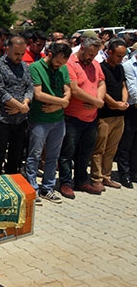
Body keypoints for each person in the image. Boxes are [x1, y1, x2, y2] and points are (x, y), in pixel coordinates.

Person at [57, 36, 106, 198]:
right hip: (72, 118)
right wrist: (95, 102)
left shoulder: (95, 64)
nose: (92, 57)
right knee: (67, 152)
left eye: (95, 54)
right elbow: (74, 90)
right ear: (82, 48)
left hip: (91, 117)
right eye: (90, 54)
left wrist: (97, 101)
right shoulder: (70, 63)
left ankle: (81, 180)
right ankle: (65, 182)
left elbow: (101, 83)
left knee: (85, 152)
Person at [25, 42, 72, 204]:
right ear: (50, 54)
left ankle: (47, 187)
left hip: (58, 119)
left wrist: (60, 105)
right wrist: (62, 102)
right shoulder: (35, 68)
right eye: (58, 62)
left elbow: (68, 90)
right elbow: (38, 94)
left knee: (53, 156)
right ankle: (32, 188)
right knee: (35, 155)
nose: (60, 65)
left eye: (63, 63)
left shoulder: (63, 68)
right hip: (40, 119)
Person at [0, 36, 33, 175]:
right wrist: (20, 107)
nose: (19, 57)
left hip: (20, 120)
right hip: (2, 119)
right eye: (16, 53)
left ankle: (12, 181)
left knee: (16, 155)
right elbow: (0, 91)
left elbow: (29, 87)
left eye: (22, 54)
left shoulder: (24, 66)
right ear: (7, 49)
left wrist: (25, 103)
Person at [91, 39, 129, 188]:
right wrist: (114, 104)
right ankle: (96, 178)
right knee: (99, 148)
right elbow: (101, 90)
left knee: (112, 149)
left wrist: (123, 102)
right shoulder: (100, 68)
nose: (121, 59)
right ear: (110, 52)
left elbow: (124, 86)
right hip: (104, 115)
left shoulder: (120, 68)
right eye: (118, 56)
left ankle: (106, 176)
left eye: (123, 56)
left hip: (119, 115)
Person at [115, 42, 137, 188]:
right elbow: (133, 90)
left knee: (136, 144)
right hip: (132, 109)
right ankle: (124, 173)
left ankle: (134, 171)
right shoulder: (128, 66)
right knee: (126, 143)